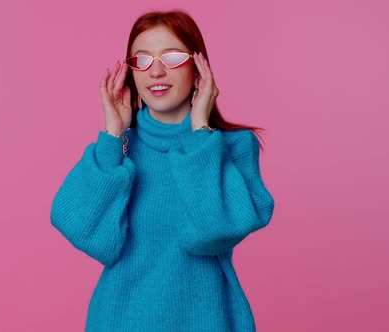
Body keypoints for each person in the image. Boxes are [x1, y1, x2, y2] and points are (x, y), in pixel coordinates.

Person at [50, 9, 275, 332]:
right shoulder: (118, 149)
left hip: (208, 321)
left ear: (198, 69)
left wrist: (200, 133)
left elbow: (210, 235)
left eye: (171, 57)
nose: (155, 71)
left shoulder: (233, 147)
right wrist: (113, 135)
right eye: (142, 60)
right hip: (118, 320)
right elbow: (90, 236)